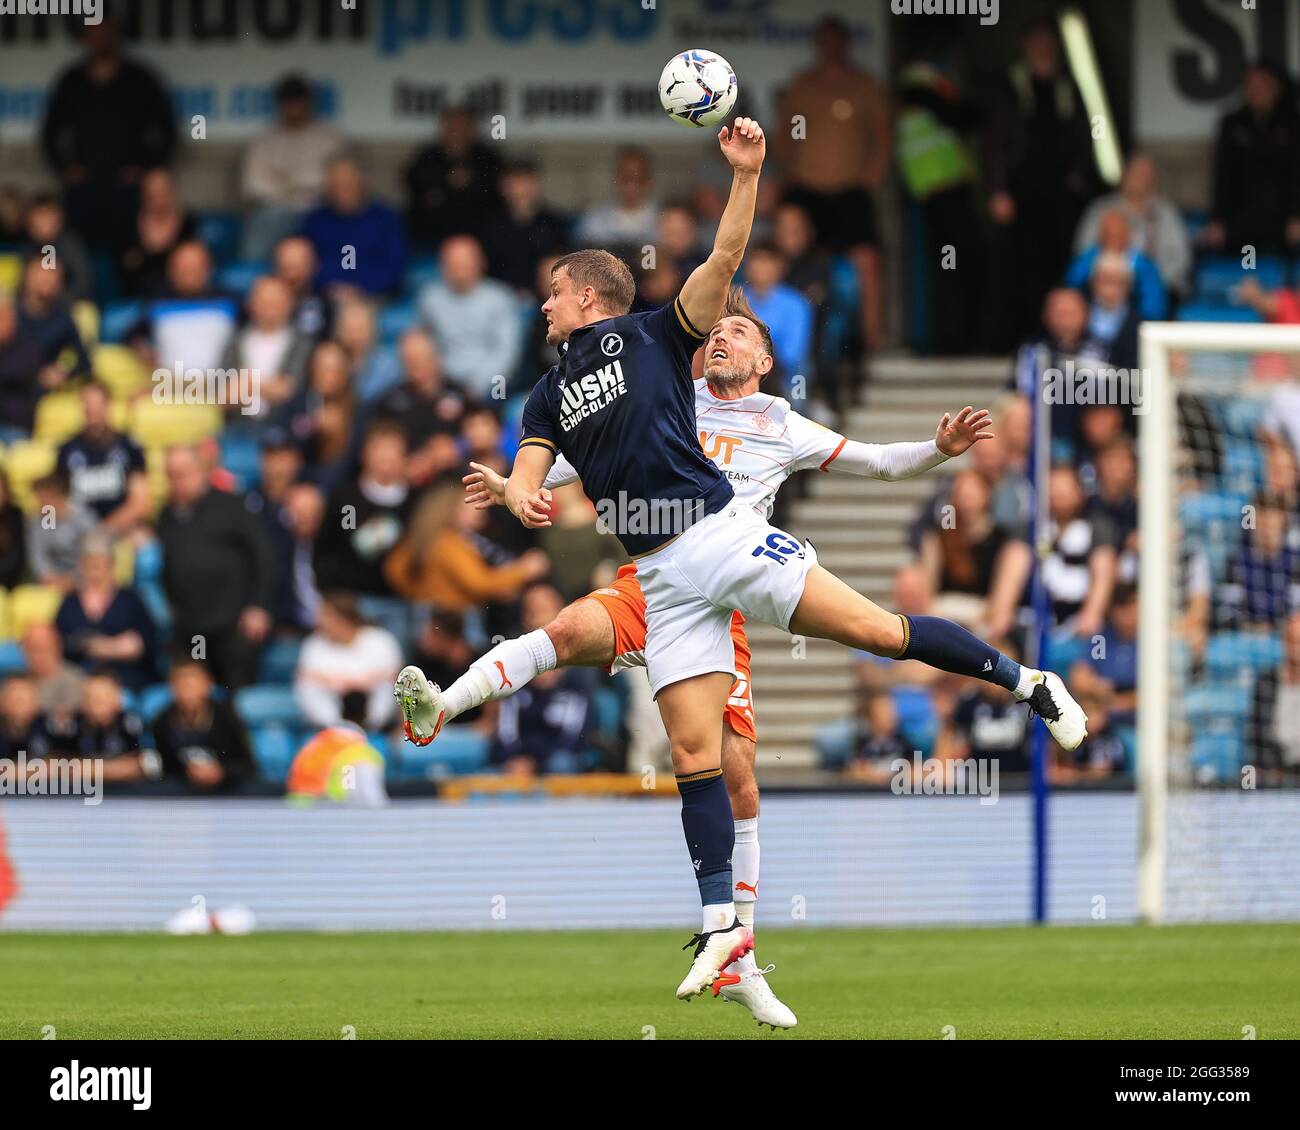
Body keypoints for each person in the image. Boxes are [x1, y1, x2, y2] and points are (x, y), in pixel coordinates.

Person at [407, 119, 1084, 1007]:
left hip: (723, 536)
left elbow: (728, 253)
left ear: (588, 295)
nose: (542, 306)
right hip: (657, 575)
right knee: (695, 755)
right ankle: (726, 933)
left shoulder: (659, 340)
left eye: (553, 293)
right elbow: (544, 463)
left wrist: (748, 173)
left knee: (880, 632)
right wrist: (517, 491)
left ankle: (1029, 682)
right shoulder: (548, 391)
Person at [776, 16, 890, 350]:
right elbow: (785, 135)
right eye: (823, 41)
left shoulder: (864, 85)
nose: (829, 48)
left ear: (845, 44)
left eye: (835, 40)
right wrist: (792, 172)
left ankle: (872, 340)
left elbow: (883, 138)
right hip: (806, 188)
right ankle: (790, 340)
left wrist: (870, 177)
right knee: (790, 256)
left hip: (850, 190)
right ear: (817, 45)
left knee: (867, 262)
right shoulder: (803, 84)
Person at [39, 16, 177, 255]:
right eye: (94, 34)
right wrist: (65, 168)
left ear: (116, 37)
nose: (100, 40)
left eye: (105, 33)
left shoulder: (140, 78)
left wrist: (146, 169)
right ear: (85, 39)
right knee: (79, 249)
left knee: (128, 253)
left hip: (129, 187)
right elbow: (50, 133)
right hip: (84, 187)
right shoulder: (72, 80)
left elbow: (168, 130)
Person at [157, 445, 274, 690]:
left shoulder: (233, 505)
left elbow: (263, 556)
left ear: (201, 470)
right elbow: (167, 565)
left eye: (184, 473)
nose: (178, 481)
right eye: (172, 475)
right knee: (192, 690)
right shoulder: (167, 515)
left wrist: (259, 606)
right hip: (191, 627)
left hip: (233, 624)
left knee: (236, 692)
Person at [241, 74, 344, 260]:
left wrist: (285, 182)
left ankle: (330, 276)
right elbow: (254, 186)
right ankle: (259, 280)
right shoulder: (263, 140)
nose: (294, 110)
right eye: (289, 104)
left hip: (318, 207)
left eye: (298, 103)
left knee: (336, 227)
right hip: (275, 209)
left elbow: (337, 182)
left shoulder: (328, 138)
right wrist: (298, 188)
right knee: (266, 219)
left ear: (309, 104)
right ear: (280, 106)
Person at [417, 235, 523, 403]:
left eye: (465, 261)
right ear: (442, 266)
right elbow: (423, 344)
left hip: (489, 384)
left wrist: (474, 387)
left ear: (481, 263)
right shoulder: (430, 298)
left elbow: (506, 353)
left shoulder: (500, 298)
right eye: (452, 262)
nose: (458, 267)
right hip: (442, 383)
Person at [55, 531, 157, 692]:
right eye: (89, 564)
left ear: (111, 565)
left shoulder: (130, 600)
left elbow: (147, 642)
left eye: (100, 563)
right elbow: (60, 642)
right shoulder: (70, 603)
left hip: (126, 681)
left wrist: (111, 649)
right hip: (81, 682)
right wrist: (88, 644)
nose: (95, 570)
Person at [294, 592, 403, 731]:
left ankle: (369, 726)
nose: (320, 621)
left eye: (327, 615)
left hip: (370, 699)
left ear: (345, 618)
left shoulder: (379, 639)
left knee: (387, 687)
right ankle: (338, 727)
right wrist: (339, 683)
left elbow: (393, 674)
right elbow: (306, 676)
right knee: (310, 688)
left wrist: (359, 682)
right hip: (332, 699)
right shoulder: (314, 643)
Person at [301, 155, 406, 298]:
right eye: (335, 185)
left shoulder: (385, 219)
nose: (342, 191)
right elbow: (304, 264)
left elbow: (395, 266)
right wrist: (329, 287)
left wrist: (360, 289)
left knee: (354, 318)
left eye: (348, 184)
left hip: (372, 296)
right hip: (325, 296)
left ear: (360, 183)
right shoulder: (315, 220)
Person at [56, 380, 151, 535]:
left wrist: (105, 530)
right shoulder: (67, 450)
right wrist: (51, 526)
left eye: (97, 404)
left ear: (108, 405)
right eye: (87, 404)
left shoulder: (128, 446)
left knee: (146, 546)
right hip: (78, 532)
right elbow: (56, 499)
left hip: (120, 528)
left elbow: (141, 504)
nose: (92, 410)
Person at [403, 104, 504, 249]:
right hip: (433, 238)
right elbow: (413, 185)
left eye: (463, 126)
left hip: (479, 240)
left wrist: (470, 183)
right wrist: (446, 181)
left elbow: (498, 190)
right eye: (452, 125)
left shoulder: (487, 157)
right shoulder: (428, 157)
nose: (457, 131)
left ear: (472, 129)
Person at [152, 656, 255, 792]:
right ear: (172, 688)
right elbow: (162, 769)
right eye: (182, 684)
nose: (188, 692)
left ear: (208, 684)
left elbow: (248, 765)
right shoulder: (162, 722)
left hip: (226, 790)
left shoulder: (226, 717)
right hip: (182, 792)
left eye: (193, 684)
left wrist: (221, 772)